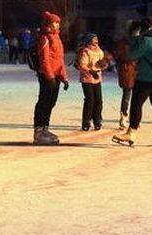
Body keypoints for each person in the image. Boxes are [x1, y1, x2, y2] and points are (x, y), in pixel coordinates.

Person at [113, 18, 152, 147]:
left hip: (146, 78)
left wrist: (134, 38)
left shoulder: (147, 40)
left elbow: (131, 56)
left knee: (136, 105)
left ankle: (131, 133)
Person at [32, 11, 69, 145]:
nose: (58, 25)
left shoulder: (57, 38)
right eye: (56, 22)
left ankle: (45, 128)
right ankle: (38, 131)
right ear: (49, 23)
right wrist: (50, 77)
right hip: (47, 75)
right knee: (44, 102)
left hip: (56, 75)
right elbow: (45, 59)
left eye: (59, 22)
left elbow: (60, 60)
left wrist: (64, 77)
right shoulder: (45, 38)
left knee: (51, 103)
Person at [75, 32, 110, 131]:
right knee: (90, 100)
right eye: (94, 39)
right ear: (89, 40)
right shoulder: (86, 51)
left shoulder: (99, 50)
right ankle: (86, 121)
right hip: (87, 78)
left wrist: (104, 64)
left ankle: (97, 120)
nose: (96, 40)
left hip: (97, 78)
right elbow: (82, 65)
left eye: (97, 38)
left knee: (98, 100)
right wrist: (90, 71)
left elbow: (104, 63)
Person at [113, 21, 140, 130]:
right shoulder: (124, 43)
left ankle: (135, 119)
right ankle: (123, 116)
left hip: (138, 71)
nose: (138, 33)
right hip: (127, 70)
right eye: (136, 31)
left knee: (138, 97)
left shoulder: (141, 42)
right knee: (127, 95)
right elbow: (120, 55)